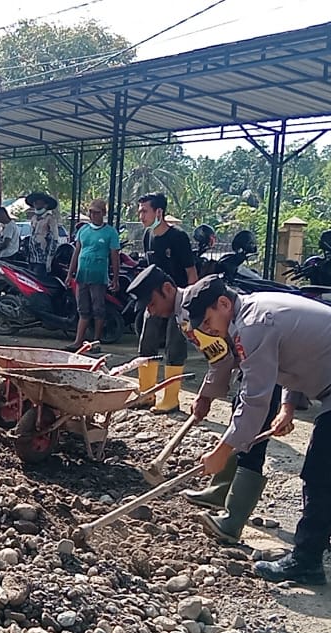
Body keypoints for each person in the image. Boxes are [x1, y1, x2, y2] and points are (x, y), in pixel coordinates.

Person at [184, 276, 331, 585]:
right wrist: (288, 407)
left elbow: (253, 401)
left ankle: (307, 559)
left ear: (223, 304)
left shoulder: (253, 325)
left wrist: (222, 453)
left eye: (208, 321)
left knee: (324, 468)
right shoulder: (255, 312)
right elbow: (297, 353)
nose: (207, 330)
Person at [127, 265, 275, 543]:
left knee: (252, 434)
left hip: (266, 361)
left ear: (168, 290)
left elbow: (223, 359)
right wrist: (206, 395)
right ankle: (220, 491)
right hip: (252, 362)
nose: (151, 311)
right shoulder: (185, 314)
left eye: (152, 302)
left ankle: (233, 519)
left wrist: (206, 395)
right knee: (239, 421)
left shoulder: (192, 310)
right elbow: (219, 356)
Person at [135, 192, 197, 414]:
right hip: (155, 300)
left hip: (178, 300)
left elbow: (191, 273)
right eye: (140, 210)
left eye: (145, 211)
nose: (140, 215)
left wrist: (188, 306)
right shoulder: (147, 236)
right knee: (146, 343)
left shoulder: (178, 237)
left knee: (175, 347)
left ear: (159, 212)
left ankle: (171, 398)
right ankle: (146, 393)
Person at [66, 198, 121, 352]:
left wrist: (115, 279)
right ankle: (78, 341)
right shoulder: (83, 231)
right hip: (82, 276)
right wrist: (70, 274)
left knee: (98, 309)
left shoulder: (110, 232)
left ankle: (96, 342)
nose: (93, 215)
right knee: (83, 310)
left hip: (99, 277)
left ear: (103, 213)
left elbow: (115, 257)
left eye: (96, 212)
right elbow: (76, 253)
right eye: (91, 212)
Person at [25, 191, 60, 278]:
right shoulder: (33, 218)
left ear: (45, 204)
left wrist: (49, 260)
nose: (35, 203)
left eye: (38, 201)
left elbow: (54, 240)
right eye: (34, 201)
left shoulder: (50, 219)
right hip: (32, 258)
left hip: (42, 260)